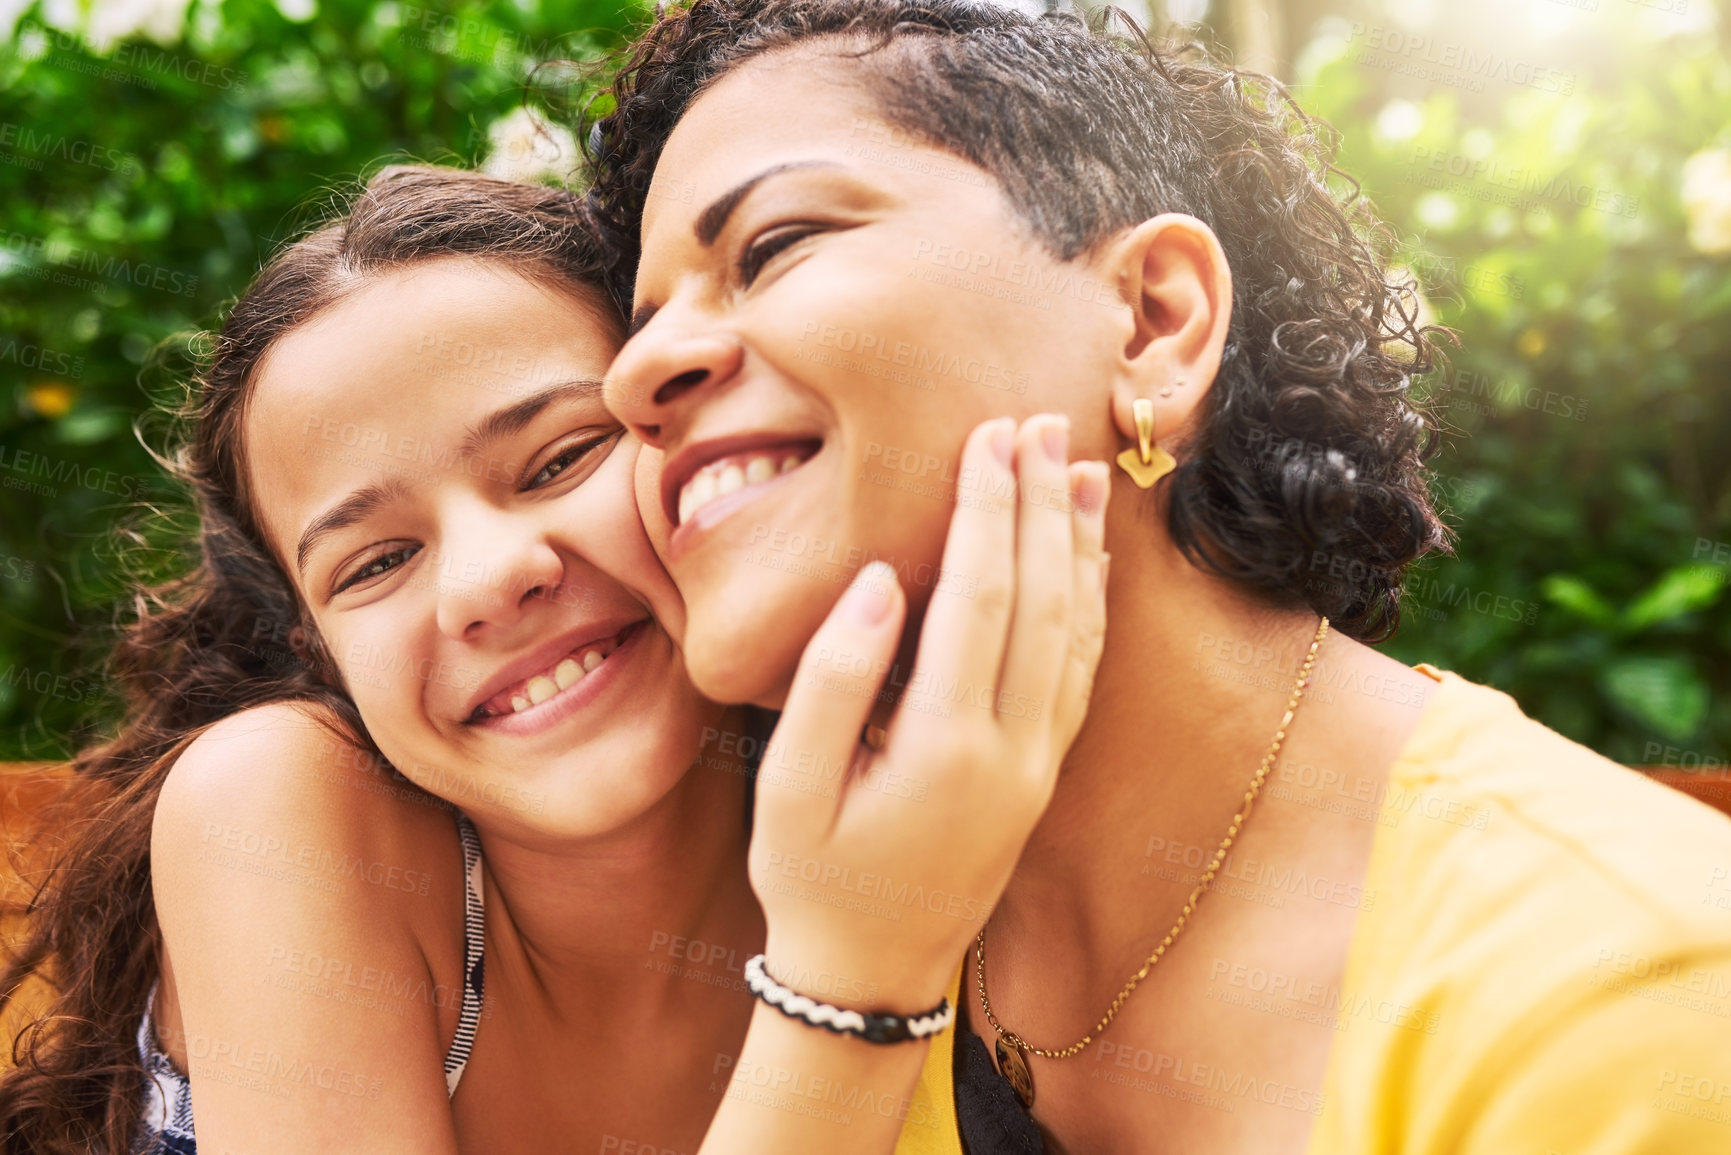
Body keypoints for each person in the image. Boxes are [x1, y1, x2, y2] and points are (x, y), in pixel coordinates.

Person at [588, 2, 1731, 1151]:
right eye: (639, 326)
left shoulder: (1627, 1002)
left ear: (1152, 322)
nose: (635, 376)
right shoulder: (811, 917)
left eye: (774, 247)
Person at [0, 164, 1110, 1155]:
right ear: (319, 652)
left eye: (561, 458)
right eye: (377, 562)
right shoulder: (284, 806)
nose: (488, 582)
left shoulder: (942, 771)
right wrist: (853, 977)